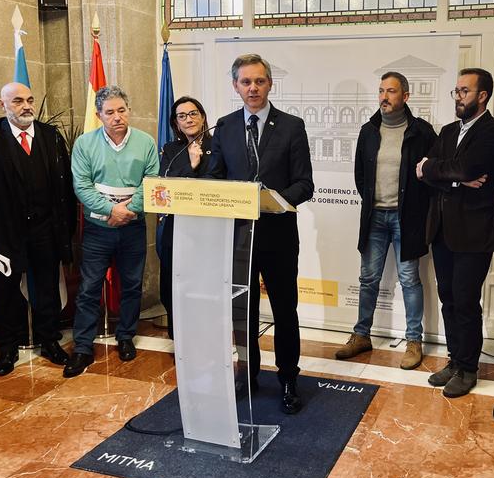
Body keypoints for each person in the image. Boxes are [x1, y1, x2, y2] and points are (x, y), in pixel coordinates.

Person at [208, 54, 313, 414]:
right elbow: (216, 180)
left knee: (285, 311)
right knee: (243, 312)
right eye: (246, 82)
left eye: (259, 81)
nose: (253, 88)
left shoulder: (291, 126)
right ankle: (248, 375)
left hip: (279, 236)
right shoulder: (223, 127)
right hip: (238, 238)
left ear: (270, 84)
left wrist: (275, 200)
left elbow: (305, 184)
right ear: (235, 86)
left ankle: (288, 379)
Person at [0, 82, 76, 376]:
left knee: (46, 289)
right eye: (17, 101)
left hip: (46, 230)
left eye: (29, 100)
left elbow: (63, 186)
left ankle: (49, 341)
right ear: (1, 104)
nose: (26, 106)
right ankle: (7, 348)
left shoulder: (50, 136)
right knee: (5, 293)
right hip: (4, 234)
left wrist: (65, 229)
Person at [415, 68, 494, 398]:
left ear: (482, 96)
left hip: (473, 231)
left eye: (464, 91)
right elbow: (423, 171)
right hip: (442, 229)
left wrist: (441, 171)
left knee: (466, 301)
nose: (458, 97)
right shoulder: (448, 130)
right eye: (456, 91)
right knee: (448, 298)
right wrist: (451, 176)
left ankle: (469, 369)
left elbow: (467, 168)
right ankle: (455, 360)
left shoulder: (493, 132)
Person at [335, 72, 436, 369]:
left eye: (391, 91)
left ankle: (414, 340)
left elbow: (432, 173)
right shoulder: (369, 130)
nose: (384, 96)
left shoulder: (422, 132)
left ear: (405, 96)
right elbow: (360, 175)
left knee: (409, 280)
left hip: (407, 219)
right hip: (375, 216)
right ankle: (361, 335)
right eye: (381, 90)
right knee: (368, 278)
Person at [64, 86, 159, 378]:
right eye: (110, 112)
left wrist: (130, 210)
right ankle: (82, 346)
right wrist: (111, 211)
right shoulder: (84, 144)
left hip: (133, 226)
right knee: (90, 287)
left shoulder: (145, 142)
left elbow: (152, 179)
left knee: (131, 284)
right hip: (97, 229)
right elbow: (81, 185)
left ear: (128, 111)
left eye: (121, 110)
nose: (117, 117)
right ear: (99, 115)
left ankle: (126, 336)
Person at [157, 96, 212, 339]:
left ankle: (203, 334)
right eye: (182, 116)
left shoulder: (218, 146)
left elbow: (215, 182)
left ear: (202, 117)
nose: (188, 119)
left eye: (193, 114)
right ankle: (178, 334)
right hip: (176, 226)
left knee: (202, 284)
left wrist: (194, 170)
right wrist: (191, 164)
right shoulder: (170, 149)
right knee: (171, 283)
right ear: (176, 123)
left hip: (208, 229)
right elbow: (165, 183)